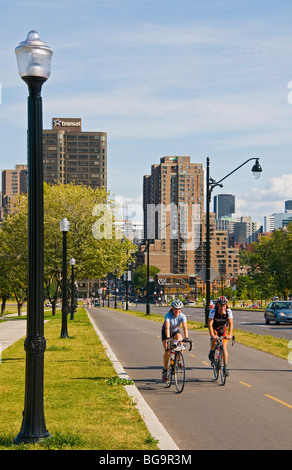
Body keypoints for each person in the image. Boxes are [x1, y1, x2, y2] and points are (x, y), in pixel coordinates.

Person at [161, 299, 189, 382]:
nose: (177, 311)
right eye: (175, 309)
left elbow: (184, 327)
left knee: (180, 342)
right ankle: (165, 370)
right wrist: (168, 338)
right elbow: (167, 327)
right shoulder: (168, 315)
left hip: (175, 331)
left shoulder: (182, 316)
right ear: (172, 309)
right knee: (168, 350)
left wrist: (186, 337)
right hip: (166, 332)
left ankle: (179, 360)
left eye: (179, 309)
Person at [208, 296, 233, 376]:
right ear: (218, 305)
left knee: (224, 347)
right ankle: (212, 350)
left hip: (222, 330)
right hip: (214, 329)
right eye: (221, 305)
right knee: (215, 339)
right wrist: (212, 335)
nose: (222, 307)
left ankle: (225, 367)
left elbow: (231, 324)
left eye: (224, 305)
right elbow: (210, 324)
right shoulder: (213, 311)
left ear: (226, 305)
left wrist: (229, 334)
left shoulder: (228, 312)